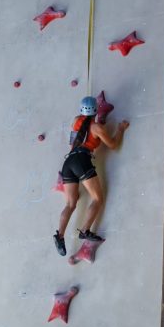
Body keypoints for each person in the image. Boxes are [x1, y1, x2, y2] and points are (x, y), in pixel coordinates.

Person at [53, 96, 129, 256]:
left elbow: (71, 142)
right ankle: (85, 230)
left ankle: (59, 235)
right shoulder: (97, 128)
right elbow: (113, 145)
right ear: (96, 110)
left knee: (70, 204)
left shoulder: (75, 121)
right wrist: (121, 129)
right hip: (82, 160)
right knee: (98, 198)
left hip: (68, 161)